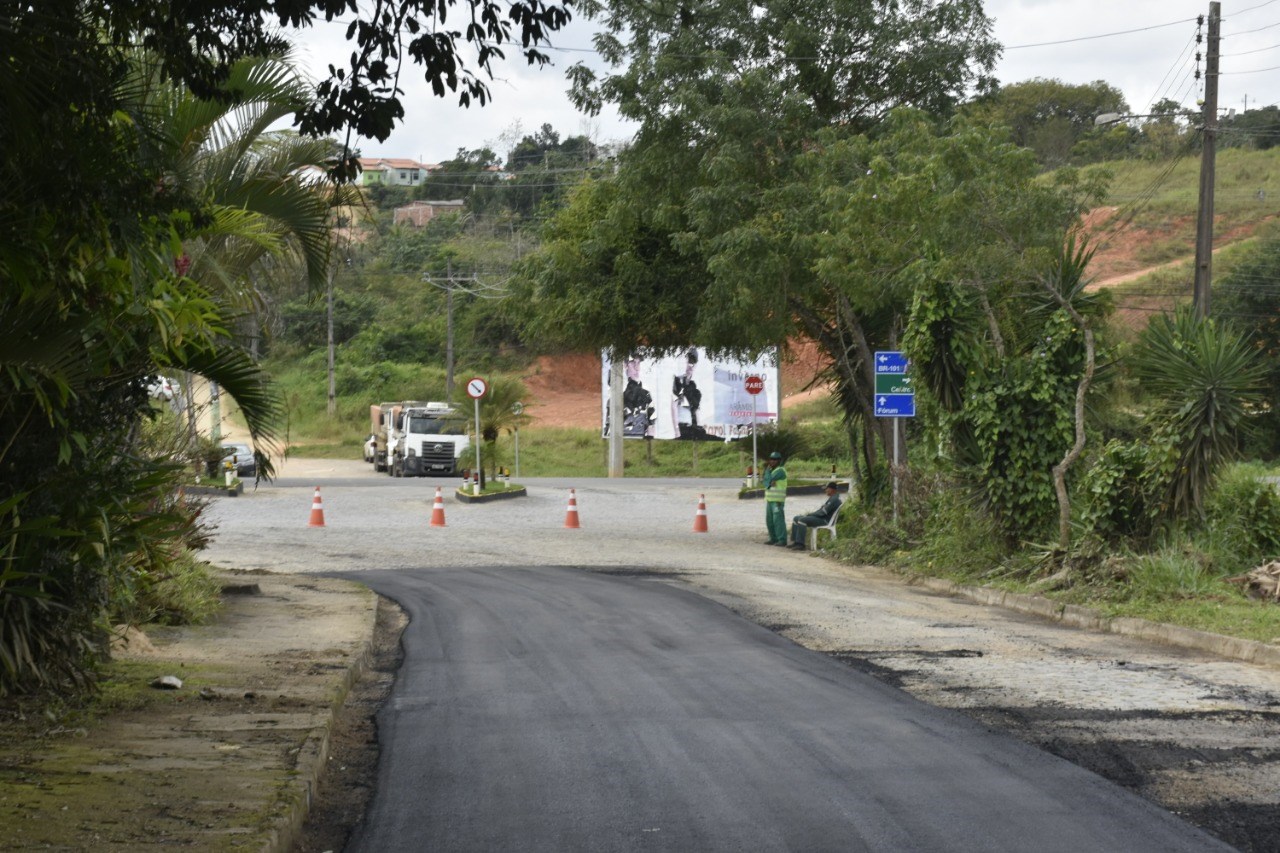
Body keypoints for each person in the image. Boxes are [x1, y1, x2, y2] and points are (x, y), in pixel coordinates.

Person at [789, 482, 842, 549]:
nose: (825, 490)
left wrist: (811, 515)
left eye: (827, 489)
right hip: (821, 518)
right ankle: (796, 542)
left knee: (802, 520)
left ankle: (800, 544)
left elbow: (823, 512)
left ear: (832, 489)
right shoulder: (833, 498)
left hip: (825, 520)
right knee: (796, 518)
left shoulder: (834, 499)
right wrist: (811, 515)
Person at [762, 451, 788, 545]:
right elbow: (765, 482)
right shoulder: (771, 470)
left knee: (778, 521)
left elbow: (767, 480)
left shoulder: (780, 471)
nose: (772, 461)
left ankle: (782, 540)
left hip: (777, 500)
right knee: (770, 521)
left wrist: (767, 476)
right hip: (769, 500)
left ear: (779, 461)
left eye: (775, 459)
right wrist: (768, 479)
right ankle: (773, 538)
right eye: (771, 459)